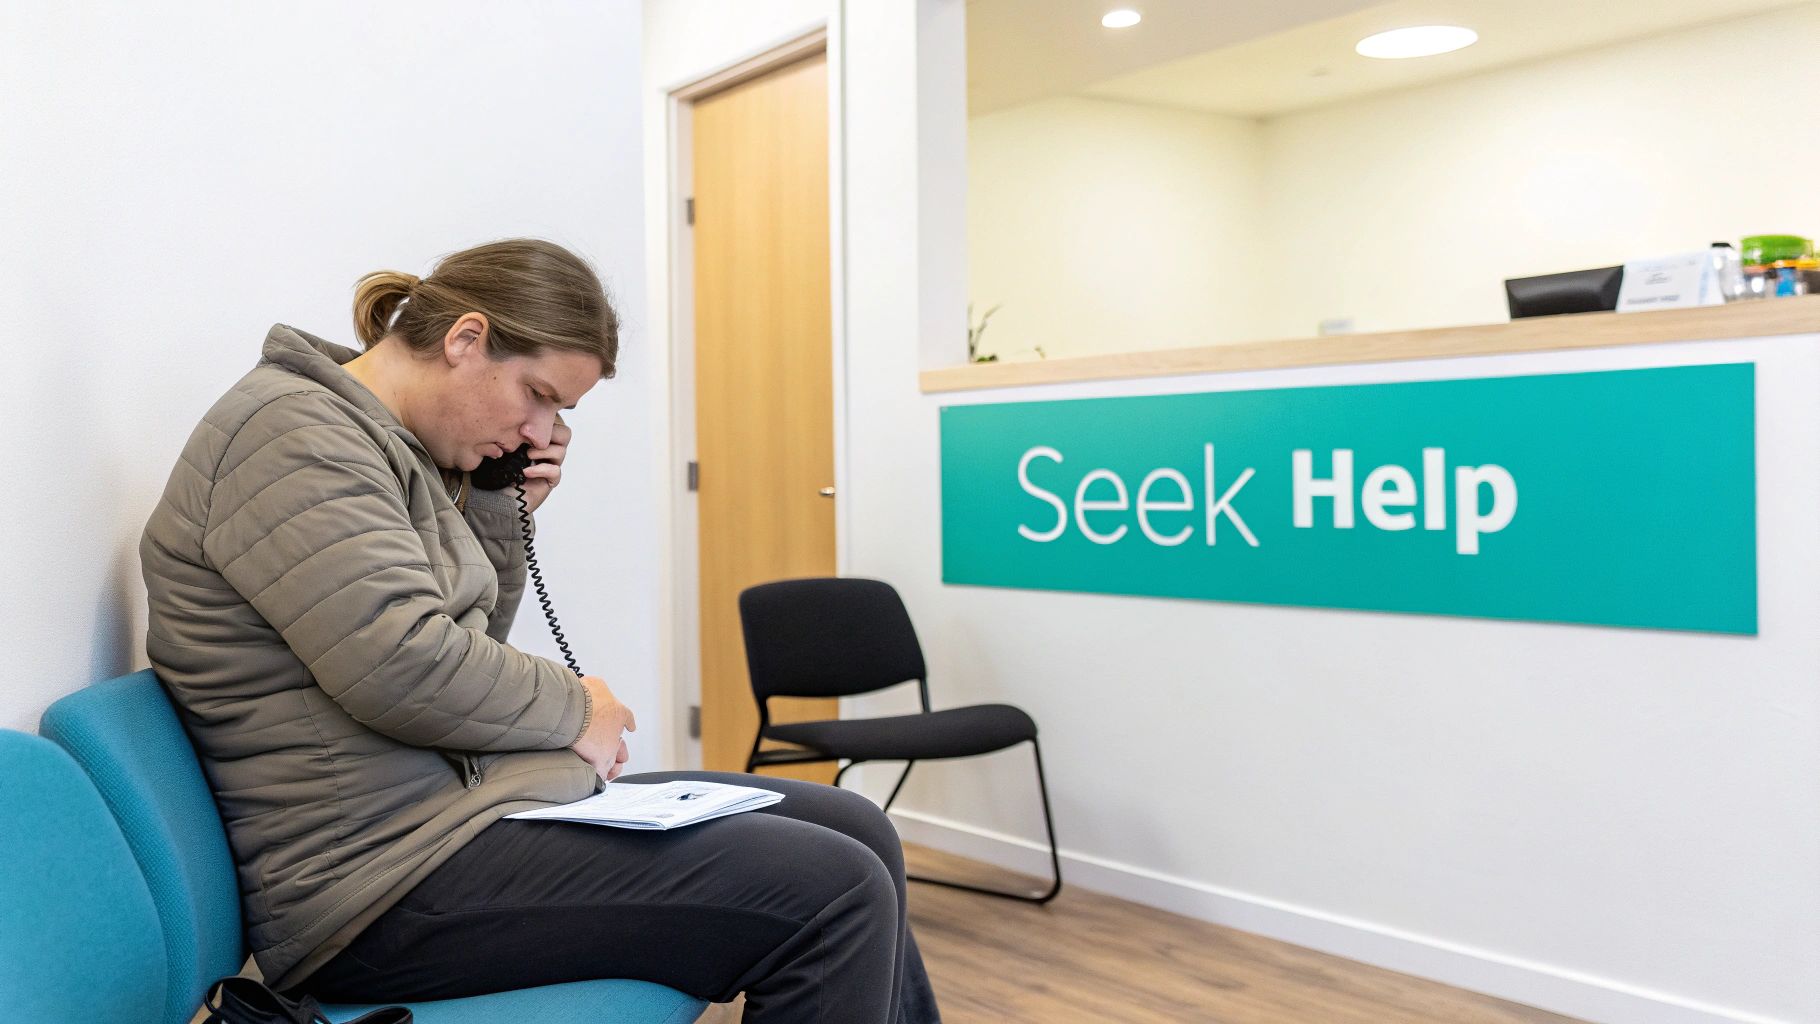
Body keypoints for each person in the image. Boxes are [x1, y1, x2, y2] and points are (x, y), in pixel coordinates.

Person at [140, 238, 941, 1022]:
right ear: (466, 340)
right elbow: (403, 666)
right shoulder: (294, 436)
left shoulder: (403, 454)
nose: (540, 431)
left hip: (456, 823)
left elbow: (461, 650)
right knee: (833, 889)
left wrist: (497, 504)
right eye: (538, 394)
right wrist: (578, 704)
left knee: (854, 826)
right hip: (374, 888)